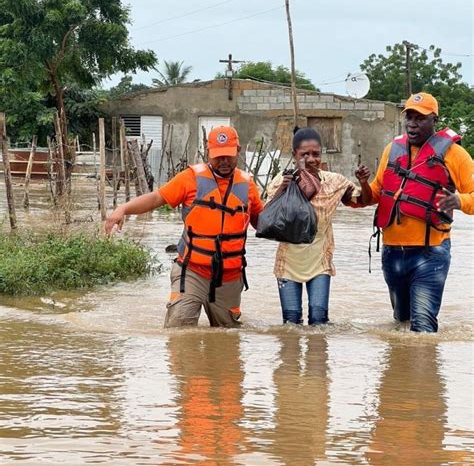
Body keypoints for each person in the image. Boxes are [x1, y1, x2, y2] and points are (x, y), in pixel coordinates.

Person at [105, 126, 264, 328]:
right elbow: (155, 198)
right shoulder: (190, 179)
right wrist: (123, 208)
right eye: (218, 157)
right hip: (192, 270)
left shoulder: (248, 185)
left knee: (228, 337)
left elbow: (262, 221)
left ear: (238, 151)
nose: (224, 161)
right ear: (208, 153)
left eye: (228, 156)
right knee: (179, 328)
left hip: (229, 275)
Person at [354, 92, 474, 333]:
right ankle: (402, 370)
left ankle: (425, 369)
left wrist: (458, 200)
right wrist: (363, 185)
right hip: (392, 253)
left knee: (422, 327)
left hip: (431, 254)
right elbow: (376, 194)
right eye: (409, 116)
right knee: (401, 323)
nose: (412, 123)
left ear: (434, 120)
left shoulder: (454, 154)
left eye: (420, 118)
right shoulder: (392, 149)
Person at [266, 127, 372, 325]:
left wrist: (364, 182)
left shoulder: (333, 182)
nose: (311, 159)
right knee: (290, 323)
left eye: (315, 154)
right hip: (287, 264)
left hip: (319, 264)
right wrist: (284, 189)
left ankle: (318, 355)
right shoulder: (282, 181)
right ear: (294, 155)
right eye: (304, 154)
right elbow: (267, 217)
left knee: (319, 320)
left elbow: (361, 201)